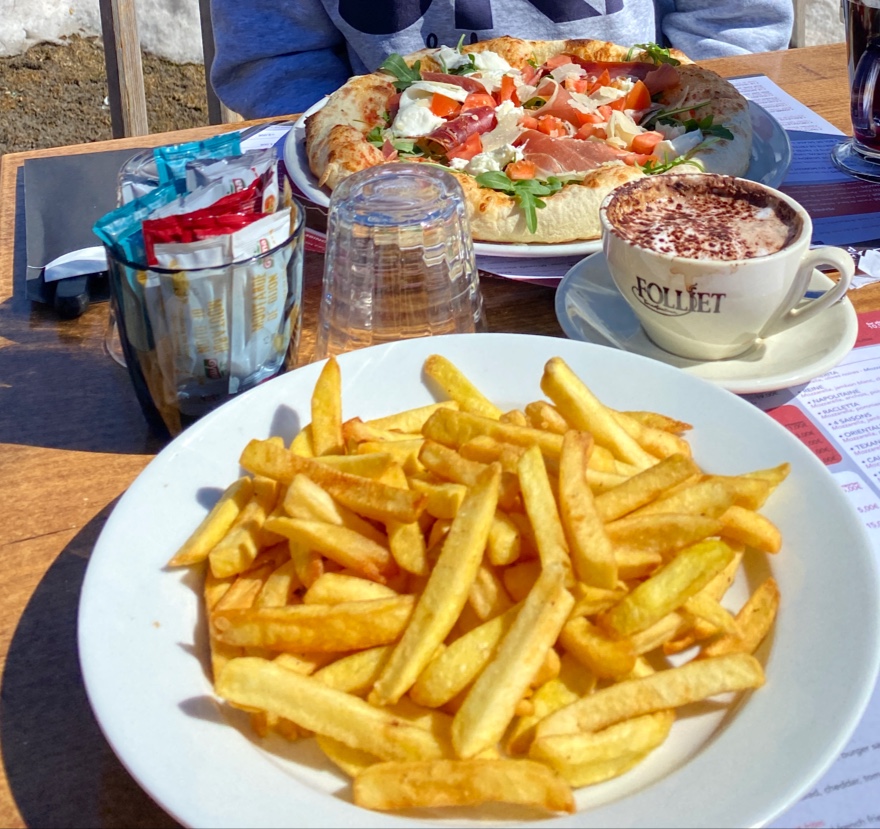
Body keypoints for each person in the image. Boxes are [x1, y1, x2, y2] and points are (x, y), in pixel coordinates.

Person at [210, 0, 793, 118]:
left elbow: (733, 19)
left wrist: (694, 116)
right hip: (389, 215)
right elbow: (276, 63)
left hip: (649, 140)